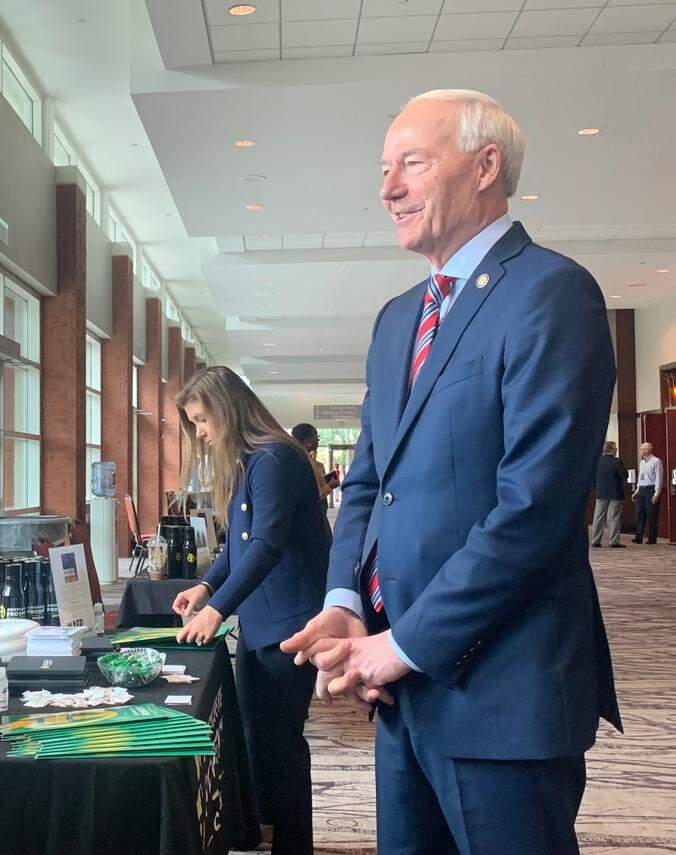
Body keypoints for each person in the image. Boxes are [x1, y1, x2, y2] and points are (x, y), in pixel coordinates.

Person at [281, 90, 620, 854]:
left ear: (485, 166)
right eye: (383, 168)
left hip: (503, 698)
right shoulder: (398, 317)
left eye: (411, 163)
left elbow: (532, 509)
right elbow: (368, 482)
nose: (387, 187)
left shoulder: (551, 293)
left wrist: (399, 645)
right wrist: (344, 602)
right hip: (402, 696)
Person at [170, 367, 330, 855]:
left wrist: (217, 609)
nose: (199, 432)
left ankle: (295, 843)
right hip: (265, 622)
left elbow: (266, 546)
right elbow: (237, 549)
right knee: (260, 739)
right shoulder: (253, 461)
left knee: (280, 743)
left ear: (227, 407)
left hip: (290, 622)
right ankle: (267, 831)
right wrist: (204, 585)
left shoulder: (276, 458)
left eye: (201, 419)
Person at [291, 423, 340, 512]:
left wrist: (326, 480)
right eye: (316, 435)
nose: (318, 438)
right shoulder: (303, 462)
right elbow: (313, 495)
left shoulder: (306, 460)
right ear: (307, 441)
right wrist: (329, 486)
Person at [592, 441, 628, 548]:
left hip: (601, 492)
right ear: (611, 449)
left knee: (598, 516)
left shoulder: (597, 461)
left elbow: (593, 478)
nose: (616, 449)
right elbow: (624, 475)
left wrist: (596, 489)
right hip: (615, 492)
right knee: (614, 517)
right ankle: (613, 541)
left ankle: (595, 540)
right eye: (615, 448)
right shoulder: (617, 461)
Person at [632, 442, 663, 544]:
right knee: (639, 514)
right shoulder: (642, 462)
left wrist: (656, 493)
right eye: (641, 449)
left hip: (651, 489)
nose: (641, 451)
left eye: (643, 449)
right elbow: (641, 478)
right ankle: (638, 536)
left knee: (652, 514)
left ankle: (652, 538)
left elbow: (659, 478)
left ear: (648, 450)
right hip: (641, 490)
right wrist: (636, 491)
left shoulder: (656, 461)